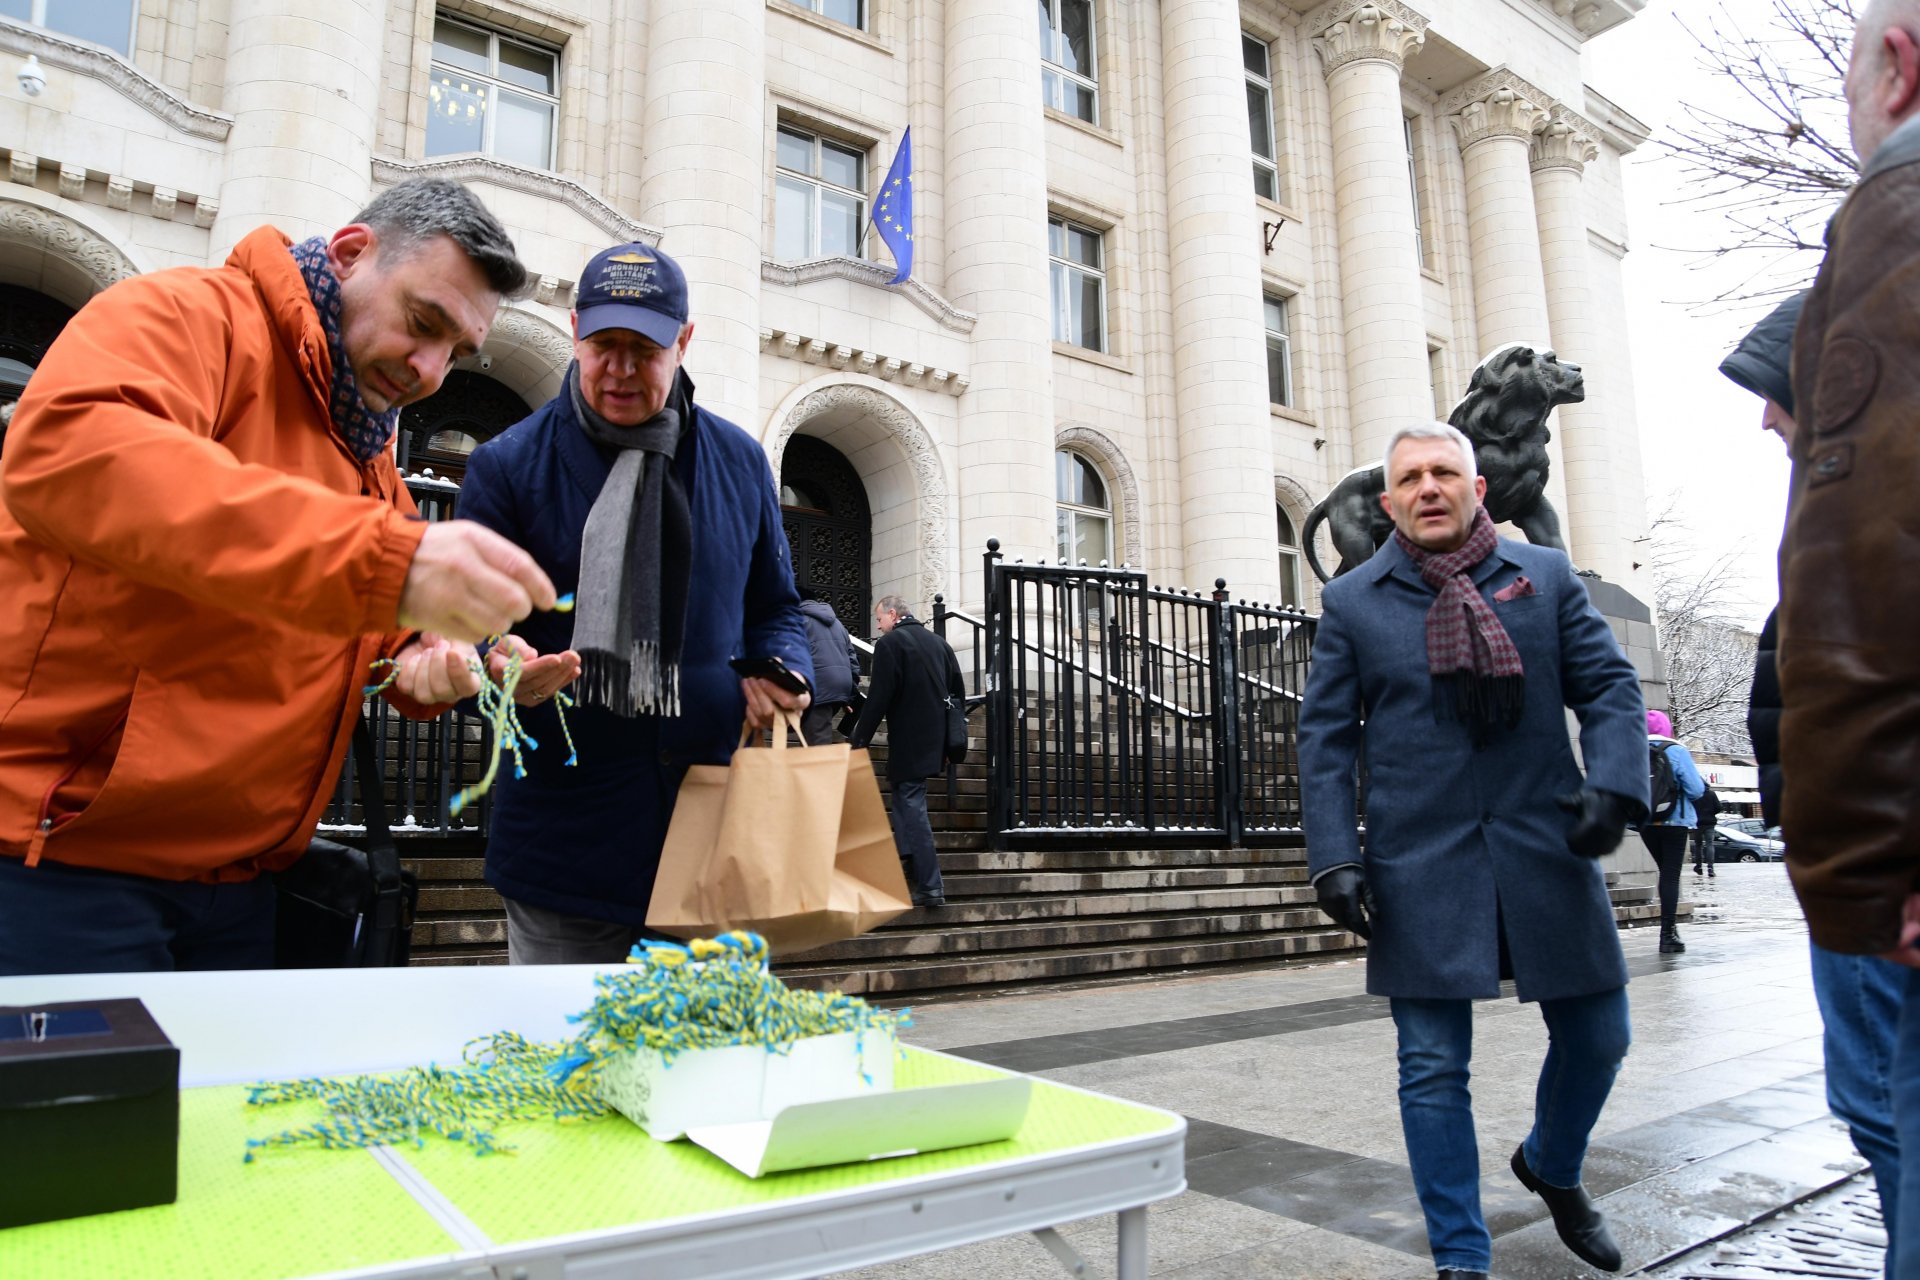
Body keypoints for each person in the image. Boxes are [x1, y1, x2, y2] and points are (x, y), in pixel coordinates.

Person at [0, 179, 558, 976]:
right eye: (422, 323)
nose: (431, 371)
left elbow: (372, 625)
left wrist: (445, 666)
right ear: (351, 253)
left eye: (456, 352)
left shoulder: (365, 445)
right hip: (65, 868)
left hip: (245, 883)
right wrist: (387, 567)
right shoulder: (186, 314)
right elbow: (74, 457)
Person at [1299, 422, 1647, 1280]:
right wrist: (1334, 855)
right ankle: (1462, 1257)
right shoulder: (1353, 603)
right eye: (1410, 477)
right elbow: (1326, 739)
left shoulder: (1549, 578)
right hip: (1418, 860)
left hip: (1547, 841)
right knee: (1429, 1067)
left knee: (1601, 1036)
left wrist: (1615, 785)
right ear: (1387, 505)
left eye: (1444, 473)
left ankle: (1553, 1166)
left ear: (1477, 488)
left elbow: (1609, 687)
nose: (1428, 488)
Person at [453, 241, 813, 965]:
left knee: (703, 1073)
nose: (618, 369)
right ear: (576, 329)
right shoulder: (508, 467)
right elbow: (459, 638)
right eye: (602, 345)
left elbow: (777, 605)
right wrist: (497, 668)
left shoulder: (740, 461)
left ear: (682, 341)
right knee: (568, 1075)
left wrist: (781, 668)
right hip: (566, 850)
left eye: (642, 348)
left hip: (714, 842)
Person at [1726, 288, 1904, 1272]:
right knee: (1877, 1110)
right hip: (1850, 871)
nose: (1765, 415)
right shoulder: (1840, 506)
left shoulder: (1874, 503)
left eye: (1777, 389)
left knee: (1885, 1108)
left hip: (1877, 876)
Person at [848, 595, 965, 909]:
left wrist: (859, 739)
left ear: (892, 614)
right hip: (935, 740)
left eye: (879, 619)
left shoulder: (891, 645)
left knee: (911, 804)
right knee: (904, 795)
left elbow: (879, 698)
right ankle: (911, 862)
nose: (877, 625)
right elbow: (958, 692)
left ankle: (930, 885)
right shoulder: (939, 644)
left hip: (909, 740)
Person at [1642, 709, 1706, 954]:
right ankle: (1668, 933)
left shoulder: (1633, 750)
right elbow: (1696, 789)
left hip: (1646, 822)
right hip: (1675, 820)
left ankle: (1670, 932)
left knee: (1664, 872)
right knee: (1670, 875)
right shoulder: (1676, 751)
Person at [797, 591, 861, 746]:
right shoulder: (837, 623)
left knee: (817, 743)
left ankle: (821, 768)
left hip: (819, 686)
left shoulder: (799, 620)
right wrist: (851, 692)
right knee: (812, 737)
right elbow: (852, 659)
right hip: (839, 686)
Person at [1691, 783, 1720, 878]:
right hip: (1710, 823)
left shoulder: (1694, 795)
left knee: (1698, 845)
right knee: (1710, 844)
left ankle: (1699, 866)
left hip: (1698, 823)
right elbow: (1719, 808)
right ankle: (1710, 868)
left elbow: (1690, 808)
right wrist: (1710, 812)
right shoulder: (1711, 794)